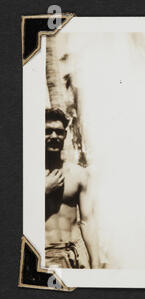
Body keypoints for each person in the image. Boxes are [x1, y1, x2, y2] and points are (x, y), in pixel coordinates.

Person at [45, 108, 100, 269]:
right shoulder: (26, 173)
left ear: (65, 135)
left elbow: (87, 222)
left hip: (72, 256)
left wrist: (95, 263)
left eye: (59, 132)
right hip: (40, 255)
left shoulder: (79, 175)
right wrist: (44, 189)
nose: (54, 137)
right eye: (48, 131)